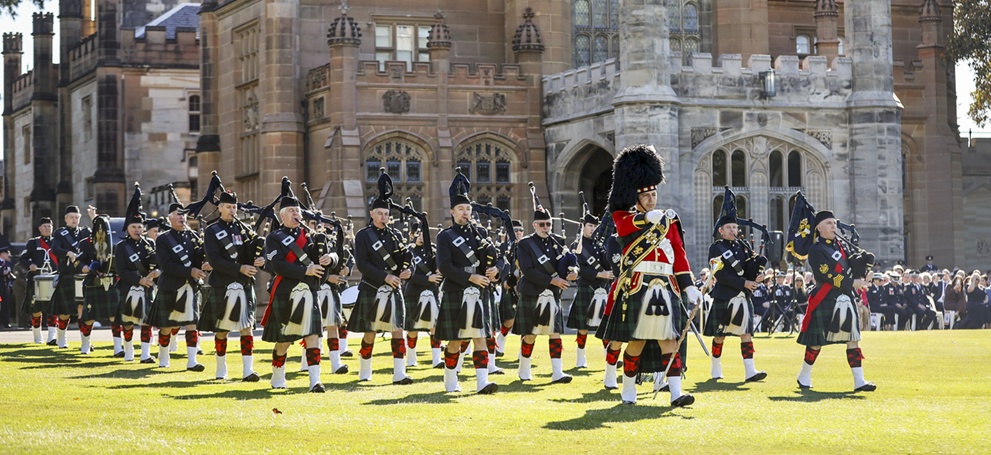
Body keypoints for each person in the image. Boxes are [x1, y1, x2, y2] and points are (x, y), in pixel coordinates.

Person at [597, 144, 702, 406]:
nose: (651, 199)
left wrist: (689, 286)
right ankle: (628, 389)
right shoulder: (624, 217)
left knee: (670, 340)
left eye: (653, 194)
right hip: (639, 285)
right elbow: (624, 227)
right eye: (645, 196)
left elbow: (679, 255)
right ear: (636, 197)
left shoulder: (669, 221)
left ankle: (676, 393)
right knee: (637, 341)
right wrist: (646, 219)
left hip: (666, 285)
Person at [434, 173, 499, 394]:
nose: (465, 213)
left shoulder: (481, 233)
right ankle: (450, 380)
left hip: (479, 292)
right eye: (461, 209)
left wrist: (496, 270)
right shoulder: (445, 236)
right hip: (456, 291)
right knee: (455, 341)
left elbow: (497, 258)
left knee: (480, 337)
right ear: (452, 212)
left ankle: (482, 383)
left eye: (468, 209)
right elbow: (444, 266)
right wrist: (470, 277)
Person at [796, 210, 875, 392]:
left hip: (845, 297)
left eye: (834, 223)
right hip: (825, 297)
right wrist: (852, 283)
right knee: (816, 342)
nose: (833, 226)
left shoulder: (842, 245)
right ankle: (804, 375)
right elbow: (827, 275)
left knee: (853, 339)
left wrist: (864, 273)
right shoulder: (816, 250)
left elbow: (852, 267)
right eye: (829, 223)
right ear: (819, 228)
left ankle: (859, 381)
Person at [349, 171, 414, 384]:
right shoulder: (363, 235)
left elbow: (407, 258)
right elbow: (362, 264)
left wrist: (409, 271)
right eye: (379, 214)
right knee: (370, 331)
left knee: (398, 329)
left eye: (386, 214)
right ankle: (365, 371)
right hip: (372, 287)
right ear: (372, 214)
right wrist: (385, 277)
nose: (383, 217)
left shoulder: (396, 235)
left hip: (394, 289)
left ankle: (399, 373)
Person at [260, 196, 332, 392]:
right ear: (282, 216)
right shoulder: (274, 238)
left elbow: (325, 264)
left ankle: (315, 381)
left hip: (309, 291)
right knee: (284, 340)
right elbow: (277, 265)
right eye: (291, 211)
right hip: (285, 292)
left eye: (298, 211)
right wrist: (305, 271)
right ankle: (277, 376)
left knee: (313, 336)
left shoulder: (312, 237)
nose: (296, 214)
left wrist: (329, 260)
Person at [514, 187, 577, 386]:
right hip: (532, 292)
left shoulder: (558, 241)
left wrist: (573, 272)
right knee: (530, 335)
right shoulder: (525, 244)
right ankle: (524, 369)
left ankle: (557, 372)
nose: (546, 227)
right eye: (542, 224)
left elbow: (568, 263)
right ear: (534, 224)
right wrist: (552, 280)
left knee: (554, 333)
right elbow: (528, 270)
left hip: (552, 294)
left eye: (548, 224)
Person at [201, 191, 267, 381]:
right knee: (222, 329)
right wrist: (240, 268)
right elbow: (214, 260)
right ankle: (221, 369)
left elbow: (251, 254)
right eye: (228, 207)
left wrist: (259, 258)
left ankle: (248, 370)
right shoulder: (212, 231)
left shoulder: (244, 229)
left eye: (234, 207)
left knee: (247, 327)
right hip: (223, 284)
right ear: (220, 208)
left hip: (244, 284)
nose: (232, 211)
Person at [703, 216, 767, 383]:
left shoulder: (743, 247)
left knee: (746, 333)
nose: (733, 230)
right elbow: (719, 274)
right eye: (729, 227)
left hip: (743, 296)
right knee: (720, 335)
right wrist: (743, 283)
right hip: (724, 295)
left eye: (735, 227)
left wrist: (758, 276)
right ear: (721, 231)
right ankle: (716, 367)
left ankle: (750, 371)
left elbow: (749, 270)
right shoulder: (716, 248)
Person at [147, 202, 209, 370]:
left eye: (184, 215)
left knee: (192, 325)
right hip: (170, 286)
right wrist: (190, 271)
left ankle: (192, 361)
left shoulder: (193, 237)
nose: (182, 218)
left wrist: (204, 261)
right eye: (178, 214)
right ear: (170, 218)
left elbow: (197, 261)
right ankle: (163, 358)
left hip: (190, 287)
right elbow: (166, 265)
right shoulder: (163, 239)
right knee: (166, 326)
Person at [115, 187, 160, 362]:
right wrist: (139, 279)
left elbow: (157, 264)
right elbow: (121, 271)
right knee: (128, 322)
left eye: (140, 227)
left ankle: (145, 354)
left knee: (147, 321)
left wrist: (157, 272)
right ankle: (129, 352)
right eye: (133, 227)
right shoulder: (121, 247)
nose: (137, 230)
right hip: (129, 286)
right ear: (127, 228)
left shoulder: (150, 243)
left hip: (147, 286)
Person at [566, 209, 614, 369]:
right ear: (583, 226)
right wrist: (600, 274)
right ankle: (581, 357)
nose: (593, 229)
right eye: (590, 226)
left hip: (603, 288)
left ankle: (609, 356)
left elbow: (609, 264)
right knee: (583, 326)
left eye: (595, 226)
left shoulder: (602, 244)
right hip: (587, 287)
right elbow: (578, 269)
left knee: (605, 325)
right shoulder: (577, 245)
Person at [49, 205, 93, 348]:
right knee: (65, 312)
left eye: (76, 217)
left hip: (83, 275)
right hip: (67, 275)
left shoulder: (86, 232)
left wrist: (94, 218)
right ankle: (61, 337)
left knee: (82, 309)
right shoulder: (59, 233)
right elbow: (55, 249)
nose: (74, 220)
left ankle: (85, 341)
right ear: (66, 219)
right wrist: (68, 253)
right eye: (71, 217)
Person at [403, 223, 441, 369]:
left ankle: (437, 359)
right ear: (411, 235)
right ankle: (411, 358)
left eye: (423, 234)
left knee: (435, 326)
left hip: (432, 291)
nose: (420, 237)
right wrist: (427, 278)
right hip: (413, 292)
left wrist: (440, 273)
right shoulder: (408, 252)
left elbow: (440, 269)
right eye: (417, 234)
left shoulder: (433, 250)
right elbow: (407, 276)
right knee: (413, 328)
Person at [20, 217, 59, 344]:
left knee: (54, 309)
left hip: (53, 279)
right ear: (39, 228)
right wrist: (30, 265)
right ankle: (38, 337)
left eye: (49, 226)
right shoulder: (33, 243)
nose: (47, 229)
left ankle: (52, 337)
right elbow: (23, 259)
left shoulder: (57, 242)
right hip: (36, 280)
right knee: (35, 310)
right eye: (45, 226)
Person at [0, 244, 14, 329]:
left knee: (5, 305)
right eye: (6, 253)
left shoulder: (8, 263)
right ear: (2, 254)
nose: (8, 255)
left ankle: (6, 322)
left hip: (5, 287)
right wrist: (2, 273)